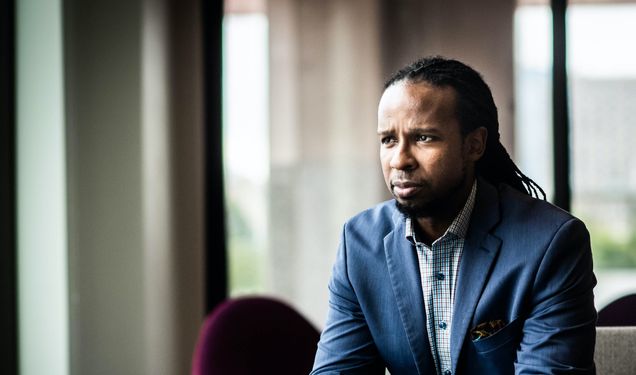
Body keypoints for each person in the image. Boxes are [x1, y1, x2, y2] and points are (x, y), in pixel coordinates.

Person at [310, 56, 597, 375]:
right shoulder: (360, 243)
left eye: (423, 138)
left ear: (474, 145)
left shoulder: (551, 242)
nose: (400, 160)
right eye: (388, 140)